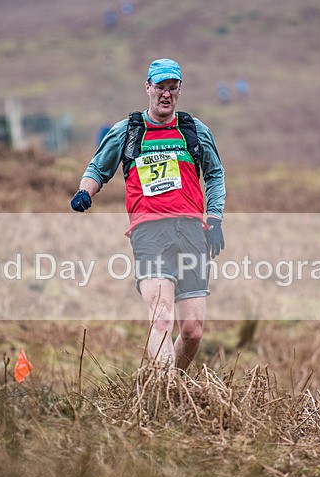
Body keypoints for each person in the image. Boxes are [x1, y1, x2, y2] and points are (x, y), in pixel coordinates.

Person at [70, 58, 226, 372]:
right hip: (149, 232)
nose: (166, 95)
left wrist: (215, 217)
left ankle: (167, 384)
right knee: (162, 318)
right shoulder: (128, 131)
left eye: (172, 88)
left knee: (192, 331)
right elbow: (98, 168)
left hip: (192, 232)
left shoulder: (194, 130)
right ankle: (166, 398)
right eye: (160, 88)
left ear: (179, 90)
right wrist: (85, 191)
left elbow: (215, 174)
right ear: (148, 88)